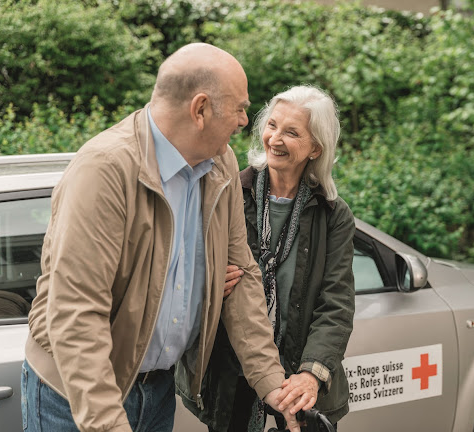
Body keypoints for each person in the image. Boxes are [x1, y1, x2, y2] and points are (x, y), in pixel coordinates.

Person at [21, 43, 303, 432]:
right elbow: (76, 314)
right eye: (239, 107)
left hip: (157, 392)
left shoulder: (221, 165)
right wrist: (107, 424)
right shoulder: (104, 171)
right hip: (75, 395)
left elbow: (243, 278)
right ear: (200, 109)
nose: (244, 120)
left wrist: (271, 382)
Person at [196, 85, 356, 432]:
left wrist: (311, 375)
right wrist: (203, 283)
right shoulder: (228, 195)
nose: (275, 139)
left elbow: (336, 305)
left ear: (316, 148)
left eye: (292, 132)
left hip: (300, 384)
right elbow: (184, 269)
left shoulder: (333, 215)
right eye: (272, 125)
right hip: (232, 378)